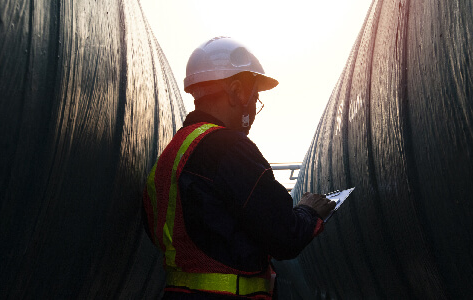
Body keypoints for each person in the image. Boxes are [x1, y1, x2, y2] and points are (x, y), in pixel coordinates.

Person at [142, 36, 336, 299]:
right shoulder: (228, 147)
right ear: (237, 92)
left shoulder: (171, 154)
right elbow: (284, 234)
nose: (254, 109)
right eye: (255, 97)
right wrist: (310, 212)